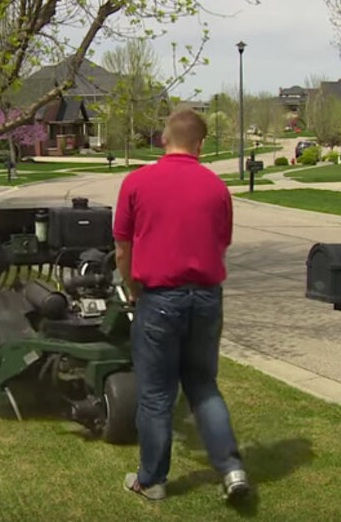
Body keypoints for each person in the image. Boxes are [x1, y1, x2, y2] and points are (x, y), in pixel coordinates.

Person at [113, 109, 248, 501]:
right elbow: (221, 242)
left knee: (156, 395)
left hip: (159, 298)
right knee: (204, 385)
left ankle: (152, 480)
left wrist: (132, 286)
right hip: (206, 298)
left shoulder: (137, 183)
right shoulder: (217, 188)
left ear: (162, 139)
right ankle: (233, 469)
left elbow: (123, 248)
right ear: (201, 145)